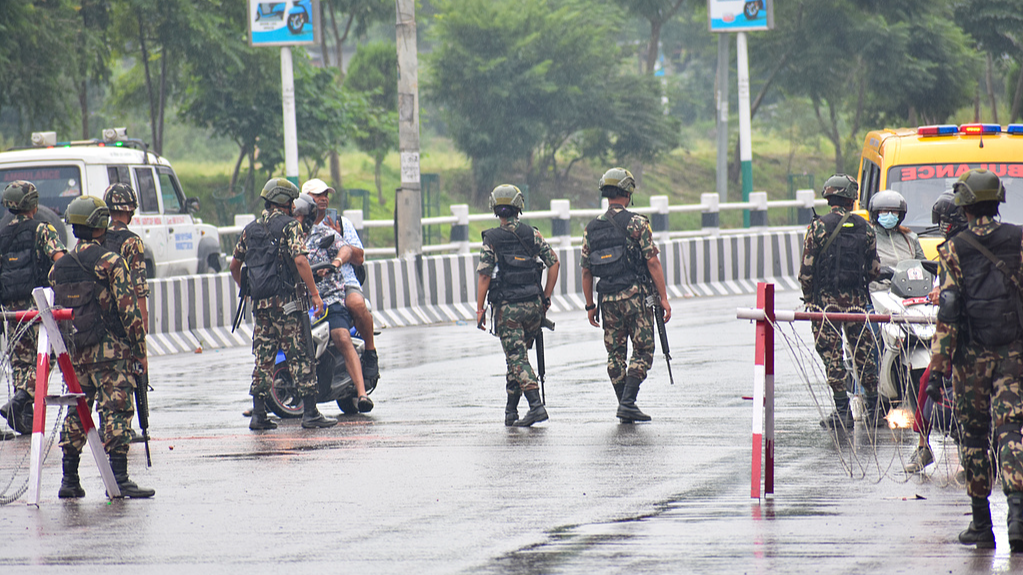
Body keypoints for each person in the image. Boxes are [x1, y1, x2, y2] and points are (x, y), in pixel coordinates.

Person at [926, 169, 1023, 551]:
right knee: (1012, 431)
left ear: (964, 205)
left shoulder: (953, 249)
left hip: (971, 359)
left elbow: (948, 313)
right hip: (1014, 354)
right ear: (997, 202)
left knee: (973, 436)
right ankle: (1018, 517)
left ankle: (982, 524)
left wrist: (938, 368)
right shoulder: (1017, 240)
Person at [50, 195, 152, 498]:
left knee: (77, 412)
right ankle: (119, 479)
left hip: (75, 353)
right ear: (99, 225)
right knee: (116, 410)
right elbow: (129, 310)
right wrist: (139, 351)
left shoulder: (59, 268)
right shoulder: (111, 263)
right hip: (110, 354)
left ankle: (69, 481)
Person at [230, 178, 333, 430]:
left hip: (261, 307)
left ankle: (259, 415)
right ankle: (310, 414)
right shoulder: (290, 227)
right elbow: (300, 260)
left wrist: (251, 291)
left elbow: (234, 266)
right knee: (300, 355)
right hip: (287, 304)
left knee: (263, 358)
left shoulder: (250, 229)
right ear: (285, 202)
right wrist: (315, 295)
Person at [580, 168, 671, 423]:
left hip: (606, 300)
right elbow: (653, 262)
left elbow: (586, 272)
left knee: (615, 354)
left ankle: (624, 404)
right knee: (643, 349)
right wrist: (663, 298)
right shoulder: (637, 223)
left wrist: (590, 305)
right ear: (628, 193)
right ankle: (628, 402)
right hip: (636, 297)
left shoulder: (592, 228)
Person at [799, 173, 882, 429]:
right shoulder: (866, 228)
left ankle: (842, 411)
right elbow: (875, 269)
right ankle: (874, 409)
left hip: (826, 305)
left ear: (829, 196)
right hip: (857, 303)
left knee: (832, 355)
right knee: (864, 353)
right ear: (851, 199)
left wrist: (810, 298)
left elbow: (806, 271)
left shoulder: (818, 227)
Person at [476, 184, 560, 427]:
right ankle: (511, 411)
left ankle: (536, 406)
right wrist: (545, 296)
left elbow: (484, 275)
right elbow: (553, 263)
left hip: (508, 309)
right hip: (533, 307)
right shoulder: (532, 234)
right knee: (516, 357)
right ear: (518, 207)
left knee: (516, 357)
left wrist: (480, 309)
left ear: (495, 209)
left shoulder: (491, 239)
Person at [905, 191, 968, 474]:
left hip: (967, 336)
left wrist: (943, 294)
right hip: (982, 333)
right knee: (928, 382)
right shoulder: (952, 249)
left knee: (931, 381)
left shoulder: (956, 251)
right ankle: (923, 447)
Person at [296, 191, 374, 413]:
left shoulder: (324, 232)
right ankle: (260, 400)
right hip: (301, 300)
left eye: (300, 216)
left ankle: (361, 393)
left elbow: (347, 248)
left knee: (341, 336)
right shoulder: (289, 237)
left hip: (329, 297)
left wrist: (337, 261)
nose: (297, 219)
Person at [0, 180, 65, 435]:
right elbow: (59, 260)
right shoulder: (43, 230)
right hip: (38, 308)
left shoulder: (2, 234)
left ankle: (23, 415)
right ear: (33, 205)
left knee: (21, 361)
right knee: (44, 359)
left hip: (11, 311)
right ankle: (21, 400)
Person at [868, 189, 925, 293]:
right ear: (876, 214)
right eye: (885, 211)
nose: (890, 215)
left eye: (894, 212)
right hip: (878, 292)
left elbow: (923, 265)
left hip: (908, 292)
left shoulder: (910, 237)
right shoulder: (869, 236)